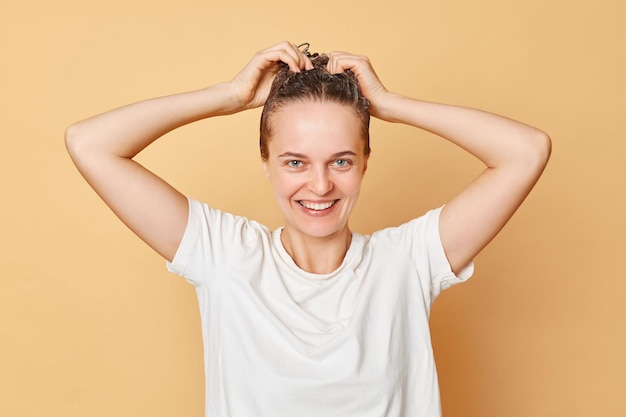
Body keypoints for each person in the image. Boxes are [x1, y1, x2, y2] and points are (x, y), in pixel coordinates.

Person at [65, 41, 551, 417]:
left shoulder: (407, 262)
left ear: (364, 163)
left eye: (341, 160)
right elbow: (89, 143)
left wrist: (389, 103)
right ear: (266, 163)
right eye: (295, 161)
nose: (319, 185)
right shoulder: (224, 256)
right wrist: (230, 96)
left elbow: (526, 150)